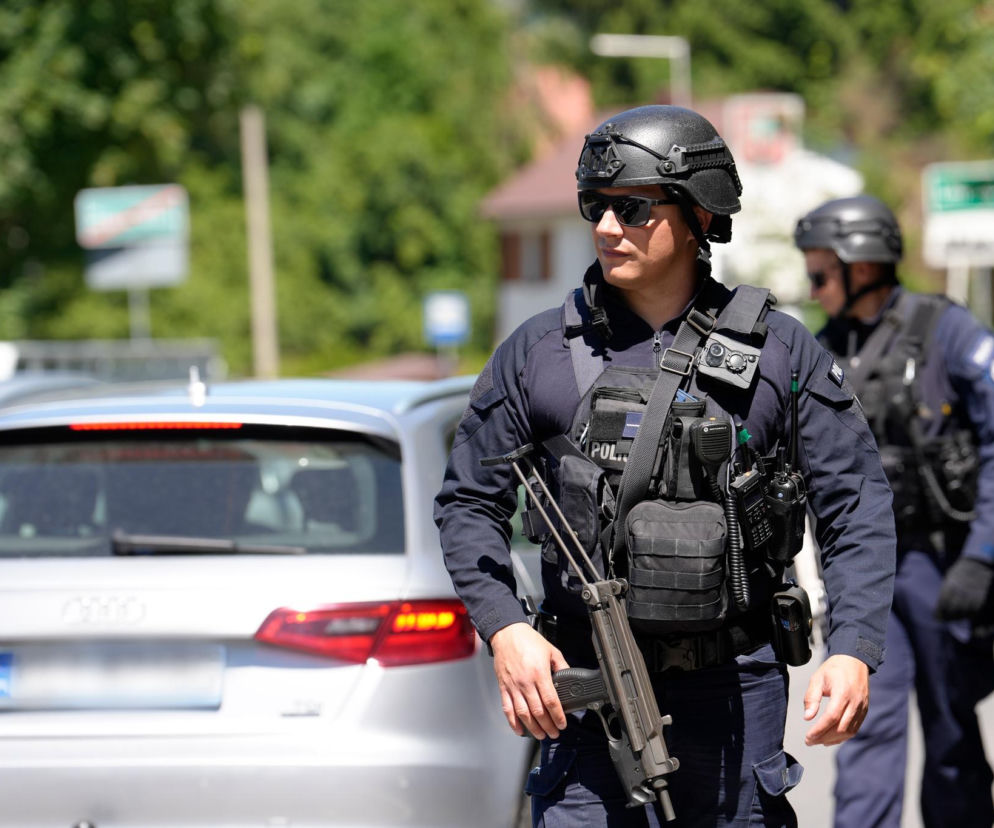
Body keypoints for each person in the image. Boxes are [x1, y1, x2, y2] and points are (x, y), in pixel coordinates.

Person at [435, 105, 896, 827]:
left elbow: (856, 503)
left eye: (633, 208)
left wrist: (855, 649)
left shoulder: (778, 352)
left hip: (734, 700)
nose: (606, 227)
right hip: (585, 700)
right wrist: (504, 627)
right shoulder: (537, 353)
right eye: (596, 206)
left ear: (698, 216)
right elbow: (468, 504)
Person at [794, 194, 994, 828]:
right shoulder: (819, 354)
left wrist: (984, 556)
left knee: (951, 731)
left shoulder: (946, 332)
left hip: (945, 564)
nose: (814, 287)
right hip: (867, 576)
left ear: (864, 266)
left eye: (821, 274)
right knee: (864, 728)